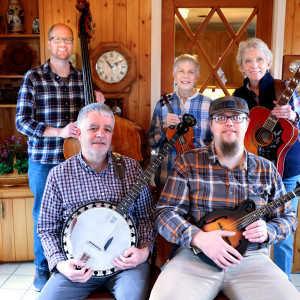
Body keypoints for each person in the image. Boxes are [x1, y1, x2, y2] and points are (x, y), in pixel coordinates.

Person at [150, 96, 300, 300]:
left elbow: (289, 218)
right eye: (221, 118)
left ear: (247, 124)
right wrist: (198, 237)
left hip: (251, 259)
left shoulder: (267, 169)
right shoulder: (188, 162)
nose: (229, 123)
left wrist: (269, 231)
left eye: (237, 117)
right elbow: (164, 213)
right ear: (211, 125)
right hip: (195, 258)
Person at [15, 23, 104, 291]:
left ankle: (75, 265)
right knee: (45, 216)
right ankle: (43, 269)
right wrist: (58, 131)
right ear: (50, 43)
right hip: (44, 160)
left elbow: (94, 120)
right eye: (58, 39)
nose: (63, 44)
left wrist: (99, 102)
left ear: (73, 44)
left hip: (77, 160)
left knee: (79, 215)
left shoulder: (82, 79)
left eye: (68, 39)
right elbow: (21, 121)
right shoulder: (33, 77)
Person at [36, 103, 155, 300]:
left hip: (125, 266)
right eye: (93, 128)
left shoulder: (131, 169)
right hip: (79, 265)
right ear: (79, 133)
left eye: (107, 129)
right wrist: (59, 263)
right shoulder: (58, 175)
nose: (101, 134)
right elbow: (47, 228)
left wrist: (144, 252)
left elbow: (145, 217)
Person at [234, 37, 300, 279]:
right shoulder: (239, 95)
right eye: (248, 60)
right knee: (249, 227)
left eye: (259, 59)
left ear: (269, 62)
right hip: (252, 170)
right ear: (241, 66)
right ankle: (245, 280)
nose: (254, 64)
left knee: (283, 231)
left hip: (287, 168)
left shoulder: (284, 89)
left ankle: (281, 283)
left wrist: (293, 115)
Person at [148, 54, 211, 186]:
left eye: (191, 72)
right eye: (181, 71)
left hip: (199, 177)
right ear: (174, 75)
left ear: (197, 77)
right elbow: (152, 142)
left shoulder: (209, 104)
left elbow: (215, 144)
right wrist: (164, 126)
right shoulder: (163, 104)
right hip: (167, 175)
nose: (185, 75)